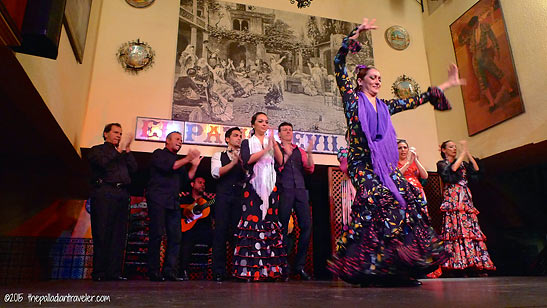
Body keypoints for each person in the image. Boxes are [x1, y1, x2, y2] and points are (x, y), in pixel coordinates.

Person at [328, 18, 464, 286]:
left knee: (408, 197)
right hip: (362, 164)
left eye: (380, 78)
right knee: (378, 199)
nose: (377, 81)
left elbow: (415, 100)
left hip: (384, 166)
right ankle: (368, 267)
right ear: (361, 80)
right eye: (373, 77)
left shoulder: (386, 106)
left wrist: (446, 85)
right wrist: (356, 33)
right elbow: (338, 64)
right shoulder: (351, 100)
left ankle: (401, 266)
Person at [232, 112, 288, 281]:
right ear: (253, 124)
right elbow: (247, 160)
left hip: (271, 185)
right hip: (253, 186)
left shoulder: (272, 142)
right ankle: (251, 270)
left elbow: (281, 161)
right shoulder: (247, 142)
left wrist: (274, 145)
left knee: (269, 222)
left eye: (266, 122)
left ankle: (270, 270)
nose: (264, 124)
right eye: (261, 121)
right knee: (253, 223)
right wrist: (265, 149)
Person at [147, 131, 201, 281]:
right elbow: (171, 167)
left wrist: (194, 165)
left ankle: (169, 271)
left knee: (176, 237)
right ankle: (153, 271)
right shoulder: (158, 154)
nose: (180, 142)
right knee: (156, 235)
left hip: (173, 202)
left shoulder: (179, 161)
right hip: (158, 199)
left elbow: (186, 180)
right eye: (177, 139)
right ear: (167, 140)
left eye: (181, 140)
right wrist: (188, 158)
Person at [437, 140, 496, 275]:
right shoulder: (442, 164)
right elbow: (452, 170)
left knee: (469, 228)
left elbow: (476, 169)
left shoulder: (462, 162)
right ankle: (459, 263)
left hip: (465, 197)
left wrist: (467, 153)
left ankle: (474, 262)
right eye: (451, 147)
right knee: (456, 228)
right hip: (453, 197)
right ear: (444, 150)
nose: (454, 149)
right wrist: (463, 154)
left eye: (455, 147)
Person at [87, 123, 137, 281]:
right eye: (115, 132)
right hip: (104, 192)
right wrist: (120, 150)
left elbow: (134, 169)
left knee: (118, 235)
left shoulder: (122, 154)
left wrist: (127, 150)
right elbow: (103, 163)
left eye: (121, 133)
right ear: (105, 134)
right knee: (102, 232)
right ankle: (99, 272)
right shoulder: (97, 150)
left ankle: (114, 272)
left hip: (122, 194)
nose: (119, 136)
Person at [276, 122, 315, 280]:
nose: (288, 132)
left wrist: (310, 152)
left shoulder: (299, 150)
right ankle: (282, 265)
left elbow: (310, 169)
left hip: (300, 191)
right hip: (284, 190)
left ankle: (299, 266)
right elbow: (277, 165)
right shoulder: (276, 148)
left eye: (290, 130)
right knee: (283, 228)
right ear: (279, 134)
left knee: (306, 226)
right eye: (284, 130)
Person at [211, 127, 246, 281]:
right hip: (223, 197)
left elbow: (250, 176)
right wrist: (233, 163)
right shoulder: (218, 155)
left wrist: (242, 163)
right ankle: (219, 271)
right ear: (227, 139)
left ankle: (238, 271)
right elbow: (216, 173)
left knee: (237, 234)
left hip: (239, 198)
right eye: (236, 136)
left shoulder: (245, 157)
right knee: (220, 233)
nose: (239, 138)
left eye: (240, 136)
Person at [179, 176, 213, 280]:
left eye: (204, 183)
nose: (202, 185)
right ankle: (182, 271)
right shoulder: (184, 199)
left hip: (203, 231)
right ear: (192, 184)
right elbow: (178, 213)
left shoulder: (209, 202)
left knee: (218, 237)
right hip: (188, 230)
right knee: (186, 239)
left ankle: (216, 272)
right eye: (199, 182)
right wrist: (187, 212)